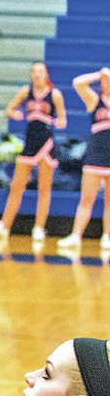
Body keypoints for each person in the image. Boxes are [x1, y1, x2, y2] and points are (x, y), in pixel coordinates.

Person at [0, 62, 67, 254]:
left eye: (40, 71)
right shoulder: (24, 92)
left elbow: (63, 119)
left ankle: (38, 228)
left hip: (46, 143)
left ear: (46, 74)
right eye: (34, 72)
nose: (37, 75)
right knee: (16, 186)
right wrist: (14, 113)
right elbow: (7, 111)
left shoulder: (55, 94)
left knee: (44, 189)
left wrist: (58, 121)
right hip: (29, 143)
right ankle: (4, 227)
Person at [58, 68, 110, 256]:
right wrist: (99, 74)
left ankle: (107, 237)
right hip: (95, 156)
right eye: (105, 81)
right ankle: (76, 236)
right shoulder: (95, 101)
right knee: (86, 199)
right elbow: (78, 83)